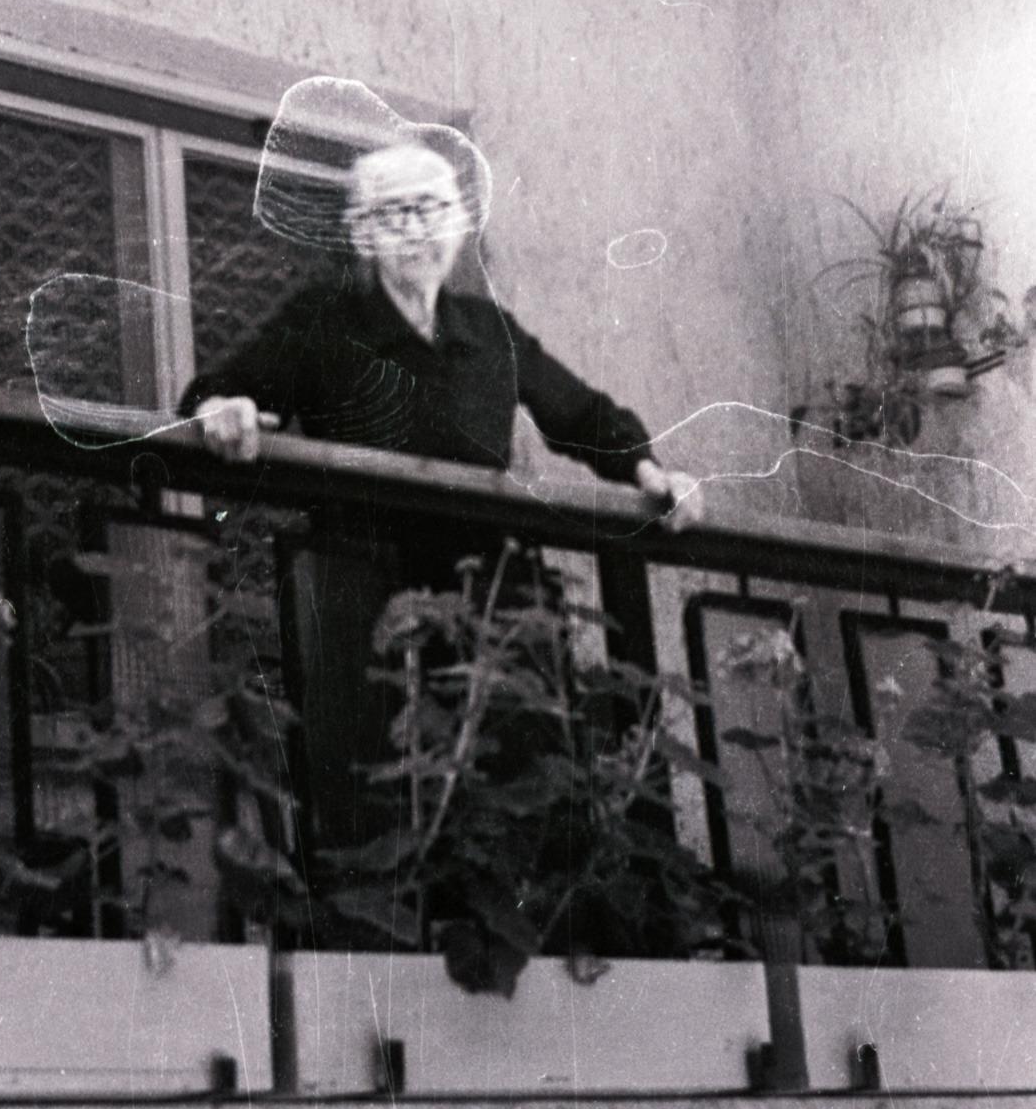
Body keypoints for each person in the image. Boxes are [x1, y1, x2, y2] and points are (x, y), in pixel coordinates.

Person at [181, 138, 702, 857]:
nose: (418, 231)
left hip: (484, 584)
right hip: (359, 579)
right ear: (364, 232)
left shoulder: (486, 331)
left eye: (432, 210)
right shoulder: (327, 320)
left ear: (456, 225)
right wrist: (224, 408)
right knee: (368, 784)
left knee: (518, 761)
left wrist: (650, 471)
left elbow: (581, 415)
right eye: (395, 214)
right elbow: (215, 391)